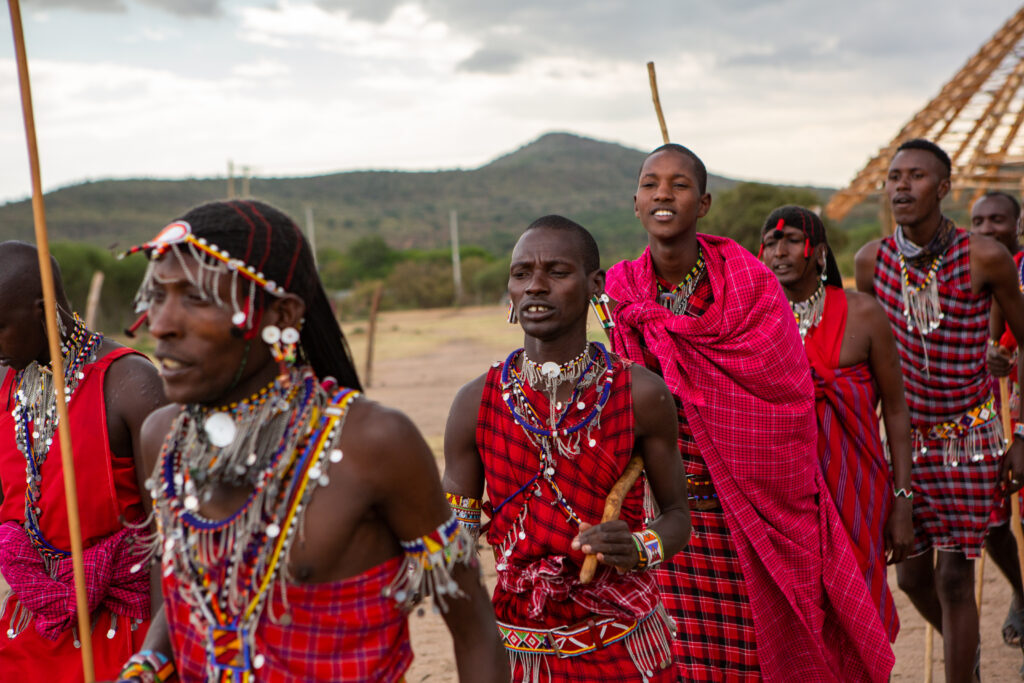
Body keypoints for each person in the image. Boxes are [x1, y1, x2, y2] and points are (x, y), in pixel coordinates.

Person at [114, 200, 506, 682]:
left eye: (196, 298)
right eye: (156, 297)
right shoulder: (165, 437)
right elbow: (189, 593)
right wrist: (148, 664)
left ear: (280, 312)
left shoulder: (373, 444)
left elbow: (474, 629)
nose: (160, 324)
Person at [606, 143, 893, 682]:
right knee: (684, 660)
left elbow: (785, 403)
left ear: (705, 202)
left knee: (756, 659)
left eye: (679, 184)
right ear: (636, 203)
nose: (663, 193)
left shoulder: (750, 287)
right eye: (650, 184)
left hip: (754, 506)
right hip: (666, 511)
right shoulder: (620, 291)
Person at [443, 215, 690, 683]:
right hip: (519, 654)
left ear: (594, 283)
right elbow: (456, 540)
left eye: (556, 272)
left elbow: (678, 517)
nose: (536, 286)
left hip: (624, 648)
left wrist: (637, 548)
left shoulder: (639, 394)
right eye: (522, 274)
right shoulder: (475, 402)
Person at [855, 139, 1024, 682]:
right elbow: (865, 361)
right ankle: (965, 656)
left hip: (971, 437)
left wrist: (1019, 434)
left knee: (954, 576)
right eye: (894, 176)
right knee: (909, 579)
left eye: (916, 176)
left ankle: (961, 677)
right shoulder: (871, 262)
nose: (902, 186)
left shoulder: (984, 256)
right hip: (904, 440)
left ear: (944, 188)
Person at [0, 241, 165, 681]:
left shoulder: (129, 382)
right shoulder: (8, 386)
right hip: (32, 632)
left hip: (122, 637)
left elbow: (167, 539)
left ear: (42, 312)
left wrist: (159, 656)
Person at [758, 205, 913, 643]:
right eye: (770, 242)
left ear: (819, 252)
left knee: (860, 613)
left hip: (858, 490)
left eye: (790, 240)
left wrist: (903, 500)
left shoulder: (863, 314)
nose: (779, 251)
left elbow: (897, 410)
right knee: (799, 617)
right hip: (784, 496)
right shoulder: (754, 324)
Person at [969, 191, 1024, 648]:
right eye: (979, 221)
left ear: (1017, 225)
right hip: (985, 414)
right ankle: (1022, 594)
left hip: (1021, 412)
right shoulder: (961, 278)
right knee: (991, 520)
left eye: (998, 220)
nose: (988, 229)